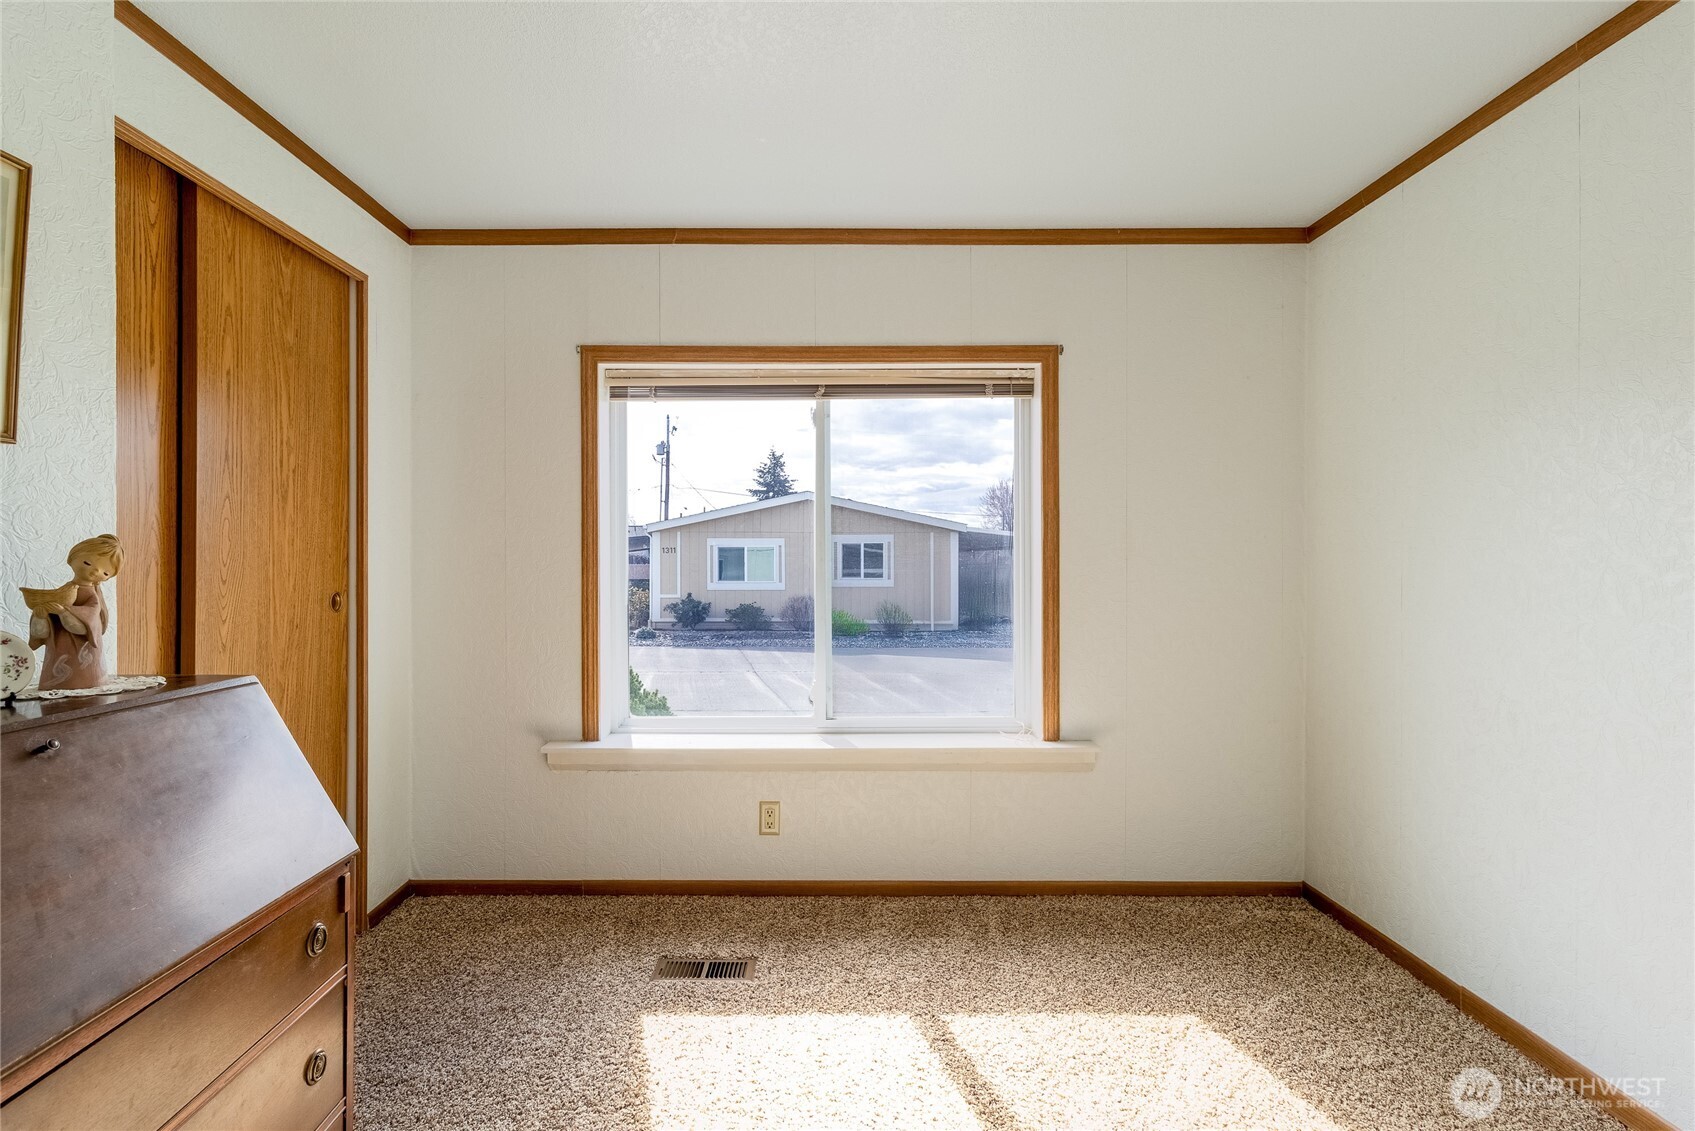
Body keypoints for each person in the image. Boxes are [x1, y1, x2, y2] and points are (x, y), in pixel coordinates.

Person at [22, 534, 123, 691]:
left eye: (105, 572)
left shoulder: (92, 596)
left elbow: (85, 627)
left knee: (82, 679)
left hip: (83, 650)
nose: (96, 571)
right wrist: (41, 615)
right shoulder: (65, 591)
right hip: (60, 645)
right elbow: (42, 632)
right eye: (88, 563)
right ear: (72, 559)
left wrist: (63, 612)